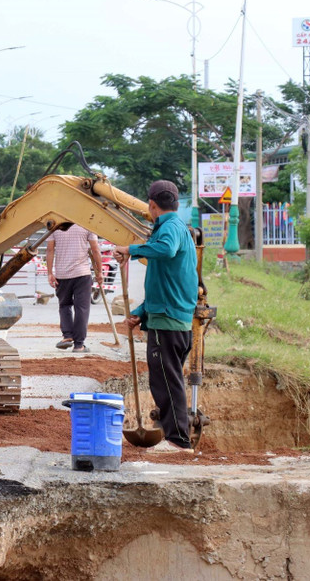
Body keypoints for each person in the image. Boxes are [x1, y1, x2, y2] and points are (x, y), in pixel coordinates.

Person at [113, 180, 197, 454]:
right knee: (167, 381)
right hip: (172, 318)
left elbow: (166, 249)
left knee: (166, 382)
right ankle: (174, 437)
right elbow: (164, 286)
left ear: (151, 205)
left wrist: (131, 249)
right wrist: (139, 313)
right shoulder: (177, 228)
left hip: (168, 323)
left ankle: (177, 441)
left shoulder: (170, 229)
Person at [46, 224, 103, 353]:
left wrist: (50, 272)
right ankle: (79, 345)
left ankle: (67, 336)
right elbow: (95, 250)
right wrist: (99, 272)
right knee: (82, 308)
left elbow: (50, 250)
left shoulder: (55, 226)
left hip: (62, 274)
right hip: (82, 274)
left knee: (64, 305)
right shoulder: (87, 224)